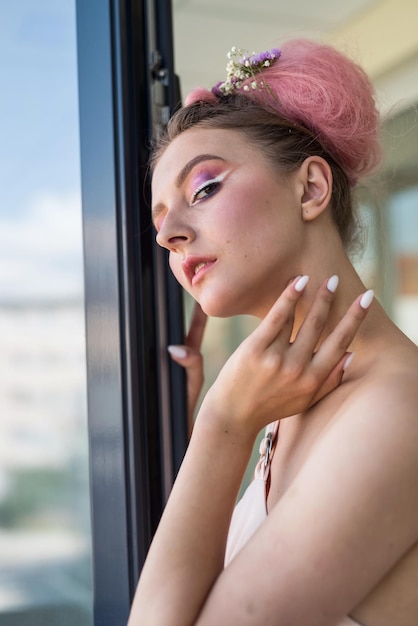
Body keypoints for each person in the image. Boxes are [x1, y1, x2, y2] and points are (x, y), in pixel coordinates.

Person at [128, 39, 418, 626]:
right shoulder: (285, 403)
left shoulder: (396, 412)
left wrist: (222, 424)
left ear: (310, 188)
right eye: (160, 221)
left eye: (203, 189)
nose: (169, 237)